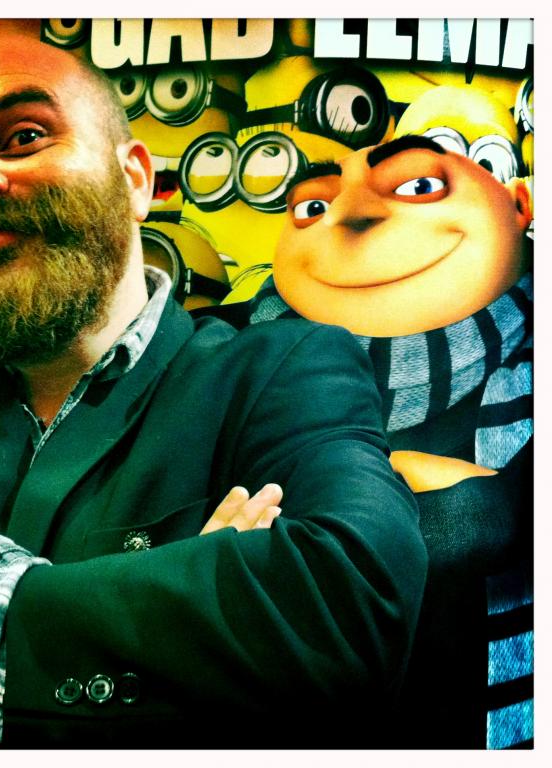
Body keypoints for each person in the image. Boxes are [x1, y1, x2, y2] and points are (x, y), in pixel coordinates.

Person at [0, 33, 426, 749]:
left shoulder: (282, 371)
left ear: (135, 180)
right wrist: (184, 598)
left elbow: (351, 606)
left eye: (22, 136)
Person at [222, 135, 533, 748]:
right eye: (312, 207)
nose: (354, 214)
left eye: (419, 185)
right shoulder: (219, 364)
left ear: (519, 203)